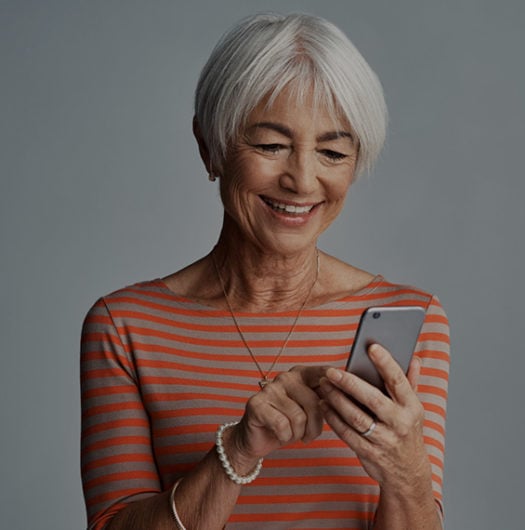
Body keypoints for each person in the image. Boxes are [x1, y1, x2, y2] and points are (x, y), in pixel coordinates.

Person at [79, 13, 449, 530]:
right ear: (210, 145)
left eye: (332, 151)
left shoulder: (412, 320)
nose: (301, 179)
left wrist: (406, 469)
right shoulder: (126, 327)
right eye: (271, 146)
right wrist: (237, 451)